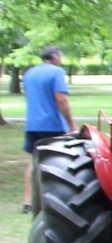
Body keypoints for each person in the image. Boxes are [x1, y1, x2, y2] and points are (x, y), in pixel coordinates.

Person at [22, 45, 76, 214]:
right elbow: (61, 99)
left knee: (34, 160)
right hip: (53, 124)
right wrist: (72, 125)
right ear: (55, 56)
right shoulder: (57, 72)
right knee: (59, 162)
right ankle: (56, 200)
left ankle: (28, 201)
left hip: (32, 124)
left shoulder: (29, 73)